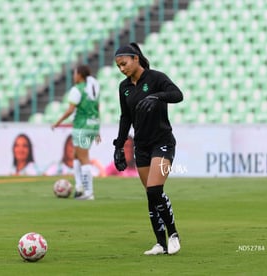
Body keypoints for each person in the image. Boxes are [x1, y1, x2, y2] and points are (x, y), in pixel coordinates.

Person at [112, 43, 183, 255]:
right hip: (141, 146)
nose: (122, 69)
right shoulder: (124, 87)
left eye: (124, 64)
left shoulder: (156, 78)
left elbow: (178, 95)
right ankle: (160, 244)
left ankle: (173, 235)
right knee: (150, 195)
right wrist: (119, 146)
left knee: (154, 189)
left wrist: (157, 96)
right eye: (118, 66)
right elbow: (125, 118)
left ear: (135, 58)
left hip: (162, 142)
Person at [52, 65, 101, 200]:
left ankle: (88, 193)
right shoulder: (93, 89)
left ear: (80, 75)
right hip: (92, 126)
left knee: (83, 158)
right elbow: (97, 108)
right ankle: (79, 187)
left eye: (75, 74)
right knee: (76, 155)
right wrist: (97, 130)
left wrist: (58, 122)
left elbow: (70, 110)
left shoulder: (77, 90)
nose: (74, 77)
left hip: (81, 127)